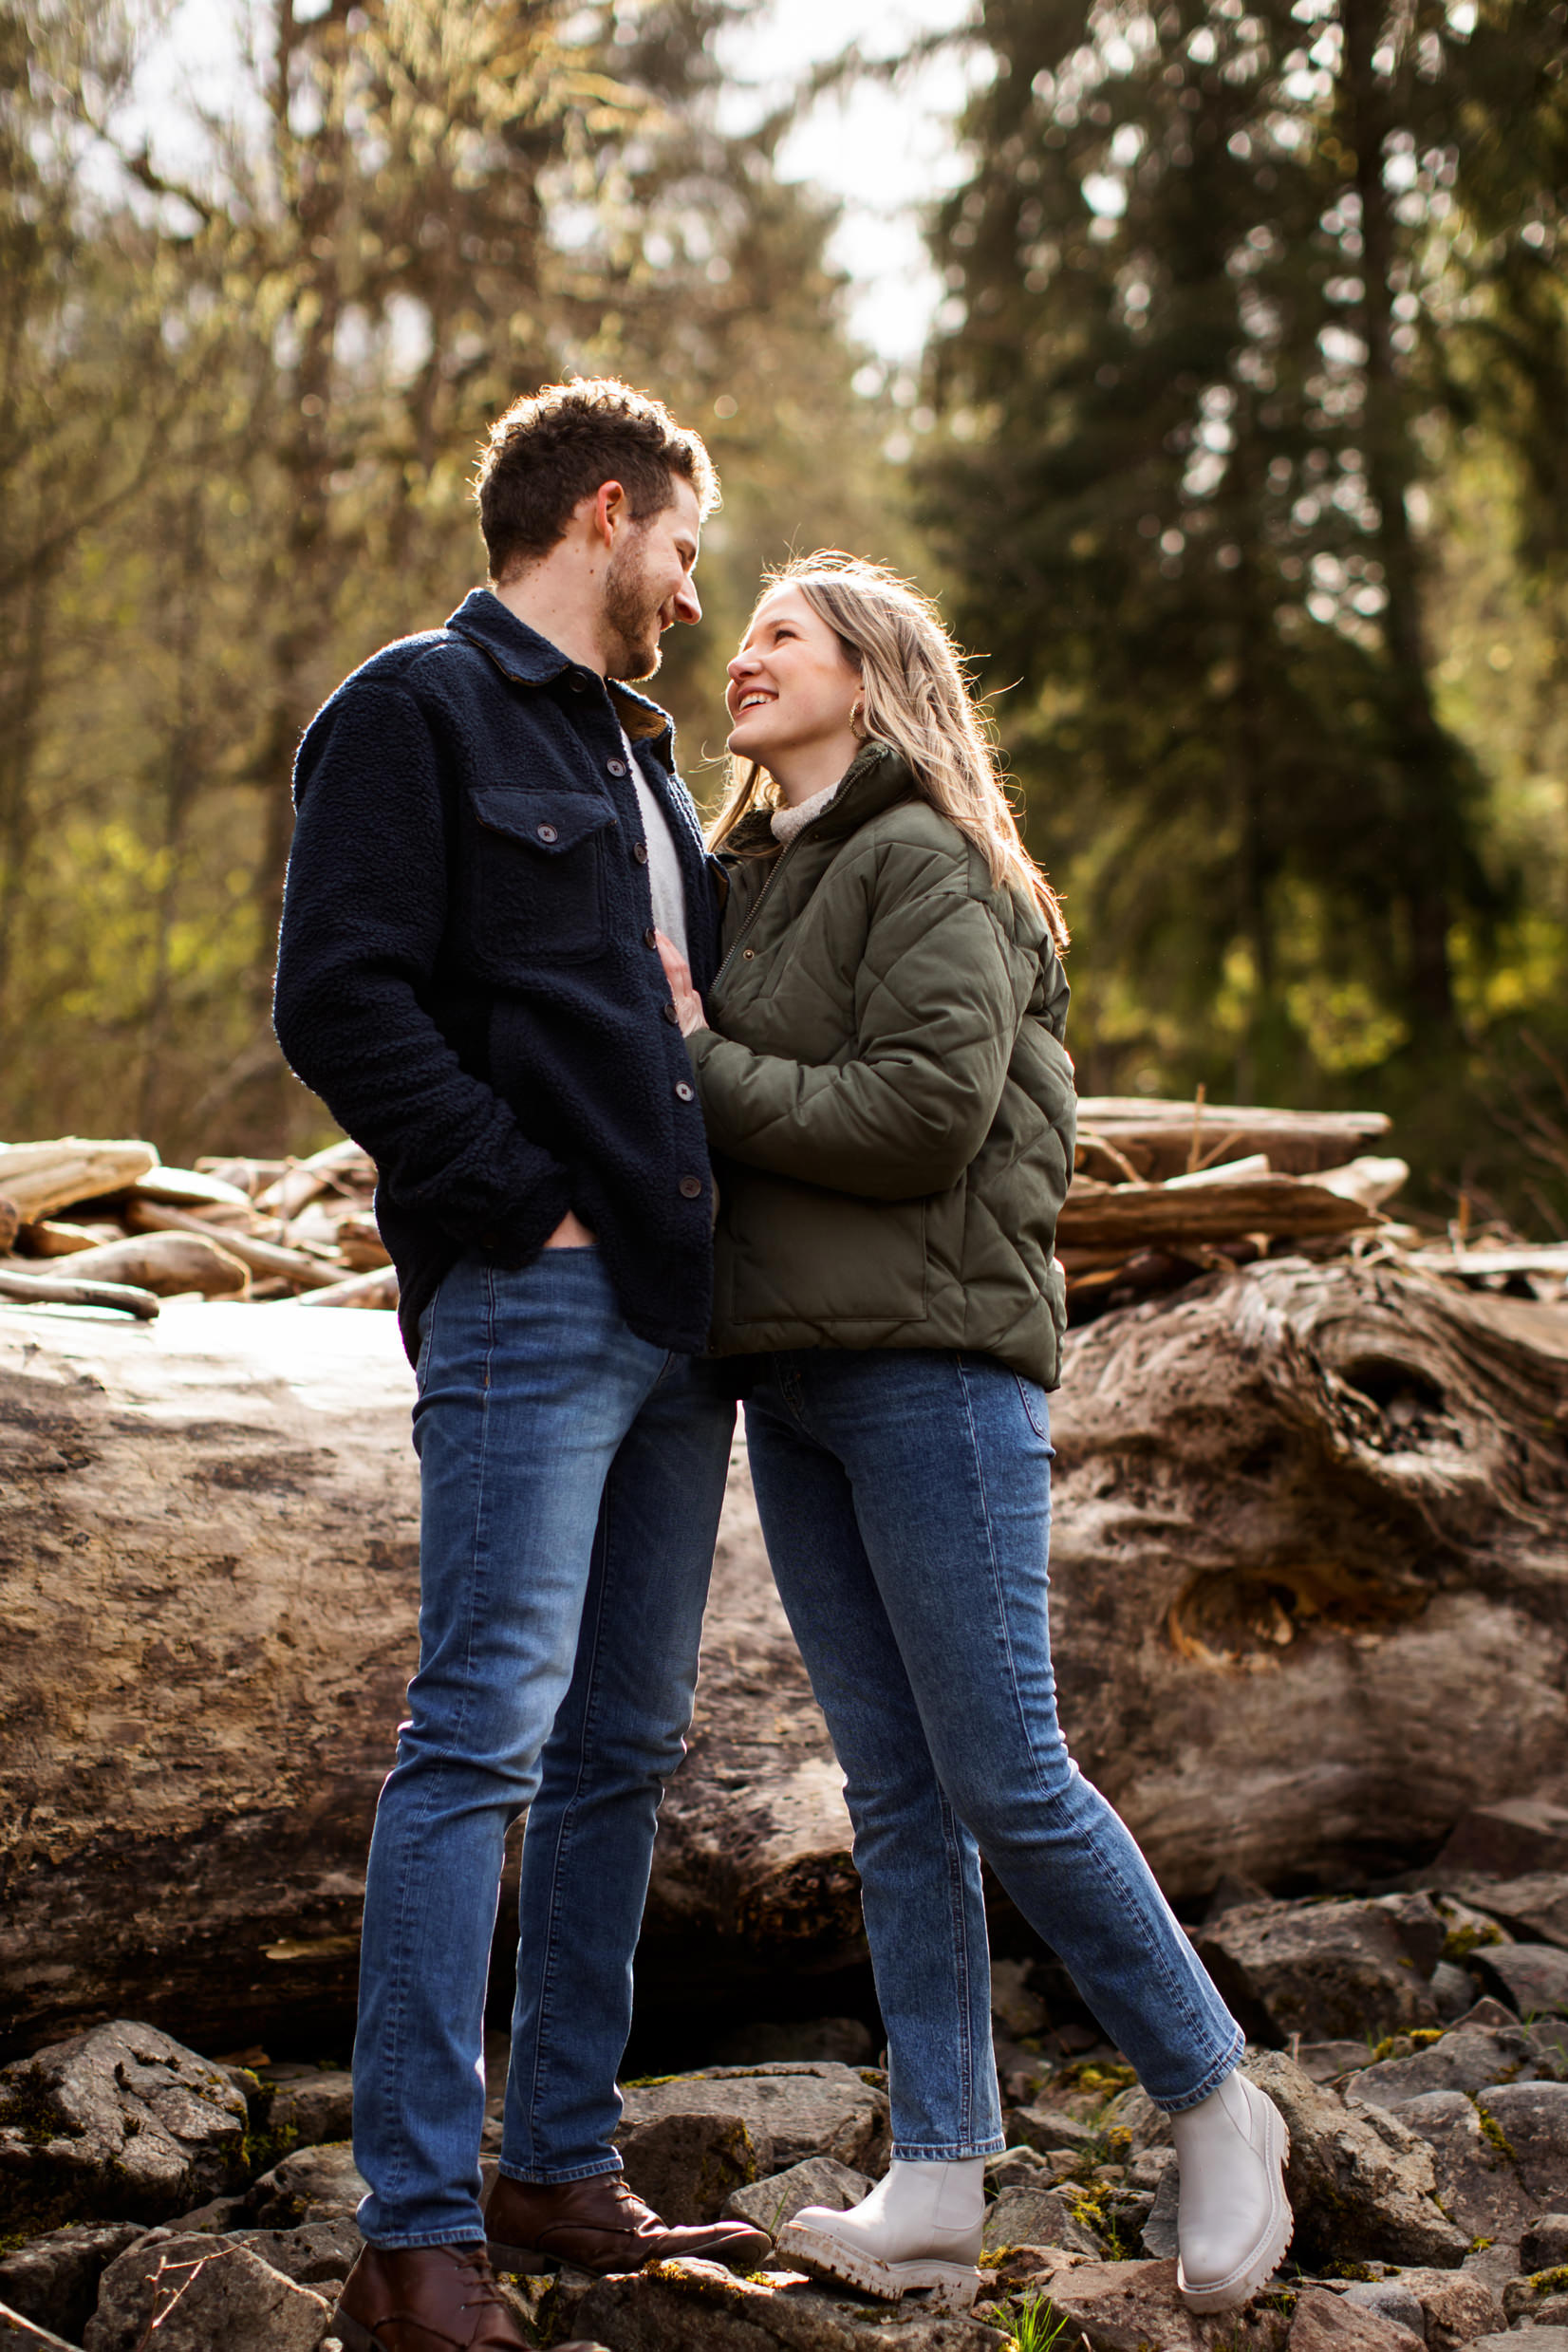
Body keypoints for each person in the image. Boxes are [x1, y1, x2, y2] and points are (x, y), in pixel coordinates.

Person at [655, 552, 1292, 2319]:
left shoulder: (924, 856)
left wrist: (696, 1052)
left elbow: (924, 1113)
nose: (745, 655)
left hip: (936, 1365)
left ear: (874, 672)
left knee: (1006, 1766)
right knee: (900, 1796)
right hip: (796, 1376)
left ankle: (1215, 2092)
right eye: (748, 633)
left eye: (782, 630)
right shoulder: (759, 879)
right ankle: (938, 2169)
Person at [272, 378, 771, 2352]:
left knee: (624, 1749)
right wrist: (506, 1198)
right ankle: (412, 2236)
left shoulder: (644, 765)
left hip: (673, 1319)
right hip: (529, 1302)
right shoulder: (412, 708)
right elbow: (338, 997)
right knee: (477, 1733)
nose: (689, 590)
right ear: (607, 508)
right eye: (680, 550)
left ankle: (556, 2165)